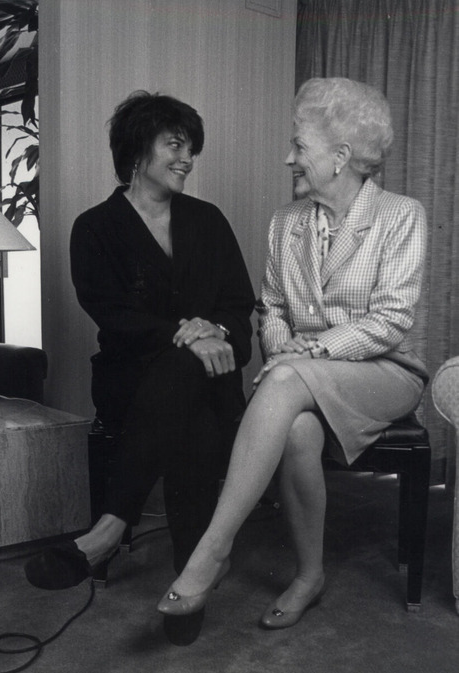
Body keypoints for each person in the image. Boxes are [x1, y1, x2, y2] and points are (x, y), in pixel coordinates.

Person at [157, 78, 428, 631]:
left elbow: (391, 321)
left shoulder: (402, 215)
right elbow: (273, 307)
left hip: (384, 371)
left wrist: (312, 352)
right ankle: (309, 575)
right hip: (299, 372)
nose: (288, 159)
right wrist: (286, 350)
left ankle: (212, 549)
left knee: (283, 382)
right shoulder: (286, 222)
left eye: (299, 146)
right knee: (299, 430)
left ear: (341, 156)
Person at [24, 92, 254, 597]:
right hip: (131, 383)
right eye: (175, 145)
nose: (187, 158)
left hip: (212, 379)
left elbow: (239, 306)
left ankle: (108, 530)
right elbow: (113, 316)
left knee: (190, 385)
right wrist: (188, 338)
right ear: (137, 149)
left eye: (191, 148)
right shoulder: (95, 228)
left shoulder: (209, 220)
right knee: (191, 407)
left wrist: (216, 332)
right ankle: (193, 579)